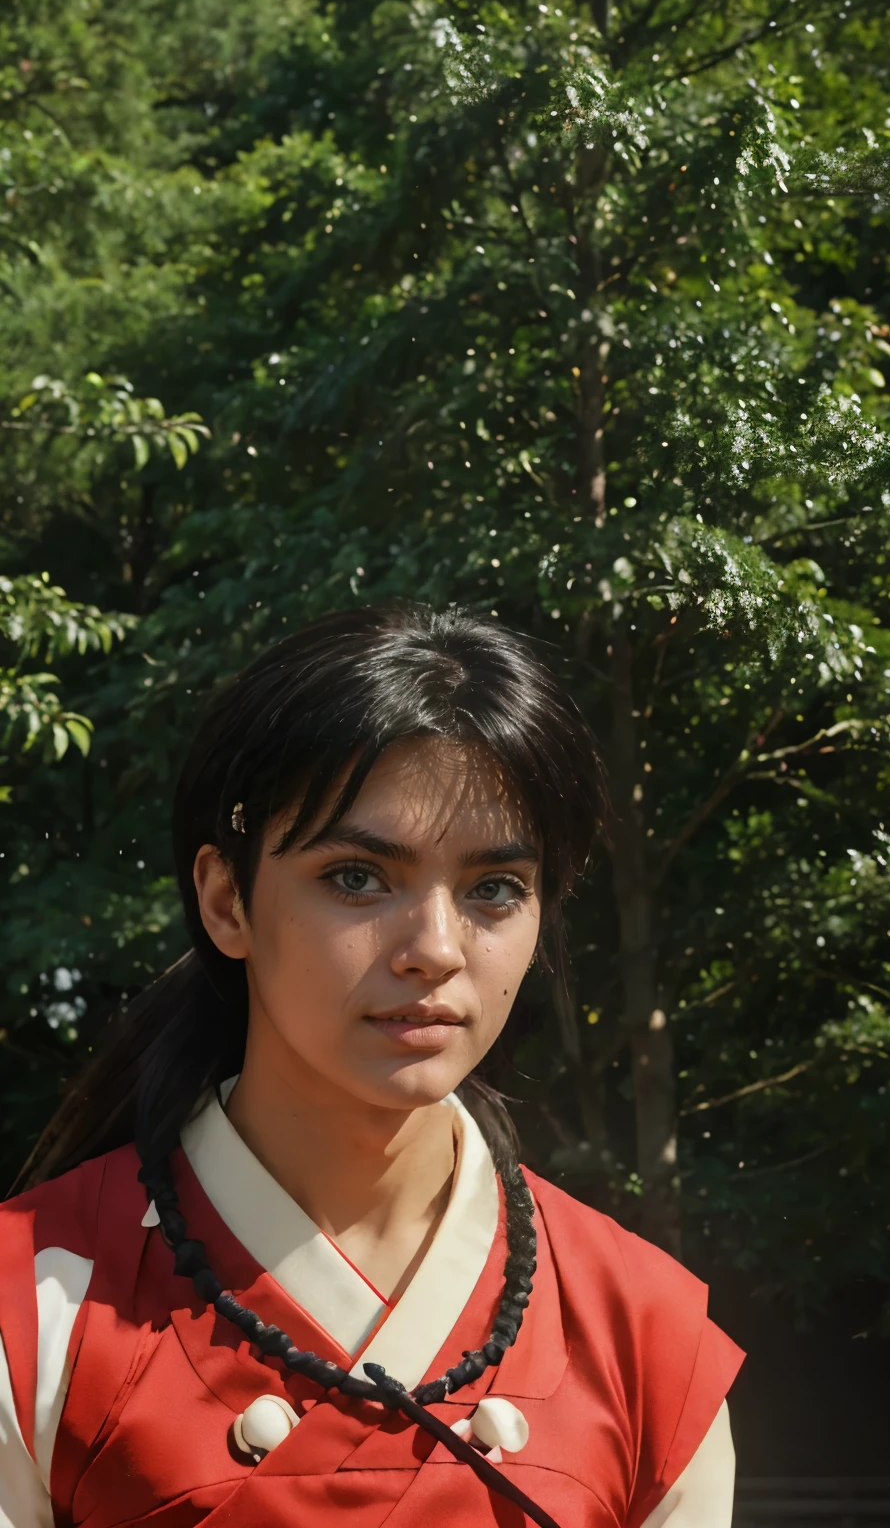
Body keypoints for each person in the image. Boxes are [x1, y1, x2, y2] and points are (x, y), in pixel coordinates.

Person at [0, 604, 742, 1528]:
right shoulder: (31, 1307)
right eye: (357, 876)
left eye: (495, 890)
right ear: (227, 901)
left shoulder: (645, 1338)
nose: (435, 949)